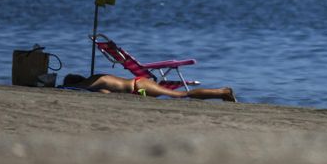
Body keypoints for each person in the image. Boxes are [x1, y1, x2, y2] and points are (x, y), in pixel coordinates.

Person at [63, 73, 236, 102]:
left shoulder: (92, 81)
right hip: (138, 85)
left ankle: (223, 92)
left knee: (181, 95)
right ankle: (222, 93)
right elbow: (106, 92)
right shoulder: (98, 81)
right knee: (180, 95)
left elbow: (77, 89)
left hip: (138, 85)